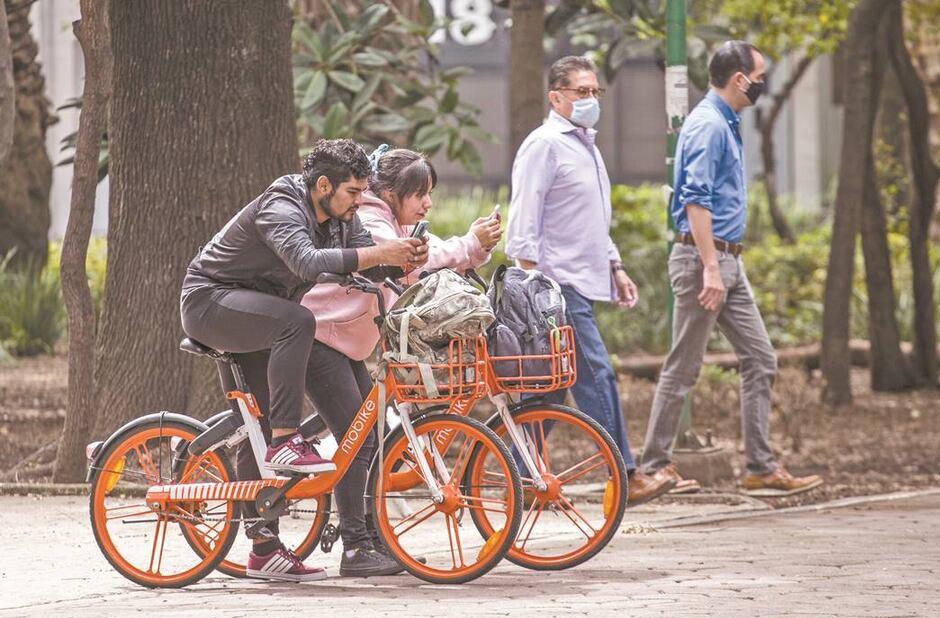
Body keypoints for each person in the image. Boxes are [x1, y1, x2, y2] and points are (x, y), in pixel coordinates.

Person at [180, 139, 429, 581]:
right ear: (322, 185)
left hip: (258, 312)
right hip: (210, 303)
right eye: (352, 193)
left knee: (253, 425)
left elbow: (364, 263)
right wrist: (379, 254)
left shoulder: (341, 218)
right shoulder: (282, 203)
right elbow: (306, 263)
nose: (359, 202)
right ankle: (286, 439)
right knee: (298, 321)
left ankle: (263, 549)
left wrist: (400, 262)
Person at [302, 146, 500, 576]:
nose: (427, 203)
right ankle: (356, 547)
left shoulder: (384, 217)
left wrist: (471, 251)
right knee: (359, 442)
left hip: (345, 343)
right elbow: (408, 256)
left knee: (366, 438)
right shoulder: (370, 220)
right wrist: (468, 244)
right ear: (389, 192)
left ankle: (374, 539)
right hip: (319, 338)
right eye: (420, 194)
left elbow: (417, 263)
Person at [638, 41, 823, 496]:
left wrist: (724, 266)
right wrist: (711, 269)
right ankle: (651, 468)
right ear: (740, 79)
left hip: (726, 260)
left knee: (760, 359)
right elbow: (695, 201)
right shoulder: (708, 126)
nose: (763, 83)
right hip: (706, 260)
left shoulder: (725, 121)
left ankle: (760, 466)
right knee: (684, 366)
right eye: (760, 75)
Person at [505, 55, 675, 506]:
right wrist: (533, 291)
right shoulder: (544, 144)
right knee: (596, 373)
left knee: (550, 386)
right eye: (581, 92)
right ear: (555, 97)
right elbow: (523, 223)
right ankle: (627, 475)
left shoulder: (586, 145)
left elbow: (593, 220)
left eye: (595, 92)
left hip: (583, 279)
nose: (591, 99)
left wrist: (615, 266)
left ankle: (522, 478)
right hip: (557, 289)